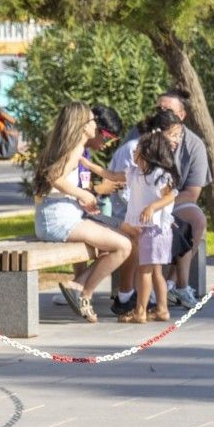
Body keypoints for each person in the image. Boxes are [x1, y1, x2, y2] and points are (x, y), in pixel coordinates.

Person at [30, 102, 133, 322]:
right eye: (92, 120)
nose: (95, 124)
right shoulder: (75, 148)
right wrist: (83, 194)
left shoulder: (68, 146)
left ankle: (77, 286)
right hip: (59, 220)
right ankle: (83, 292)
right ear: (81, 124)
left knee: (116, 243)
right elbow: (53, 178)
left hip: (59, 216)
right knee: (123, 246)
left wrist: (82, 198)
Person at [153, 88, 208, 309]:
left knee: (195, 220)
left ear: (182, 116)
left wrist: (163, 205)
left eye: (168, 110)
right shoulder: (141, 136)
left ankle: (174, 283)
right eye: (159, 109)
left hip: (173, 200)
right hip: (141, 202)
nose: (162, 113)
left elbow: (193, 192)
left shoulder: (194, 145)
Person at [122, 130, 179, 325]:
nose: (133, 152)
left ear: (148, 153)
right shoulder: (139, 174)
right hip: (157, 232)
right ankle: (162, 309)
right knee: (155, 272)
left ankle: (140, 311)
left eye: (137, 149)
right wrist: (88, 165)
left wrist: (152, 207)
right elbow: (112, 176)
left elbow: (170, 196)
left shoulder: (159, 175)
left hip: (155, 231)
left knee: (144, 271)